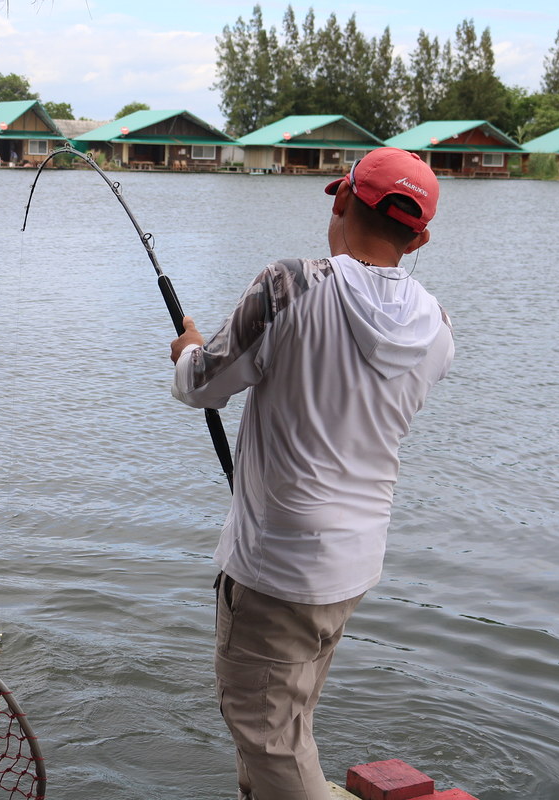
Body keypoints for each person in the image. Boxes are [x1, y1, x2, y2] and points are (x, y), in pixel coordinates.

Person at [168, 147, 454, 800]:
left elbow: (202, 385)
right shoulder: (438, 330)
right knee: (287, 716)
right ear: (421, 237)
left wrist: (187, 350)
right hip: (353, 563)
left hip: (277, 569)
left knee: (266, 731)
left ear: (343, 201)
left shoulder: (289, 286)